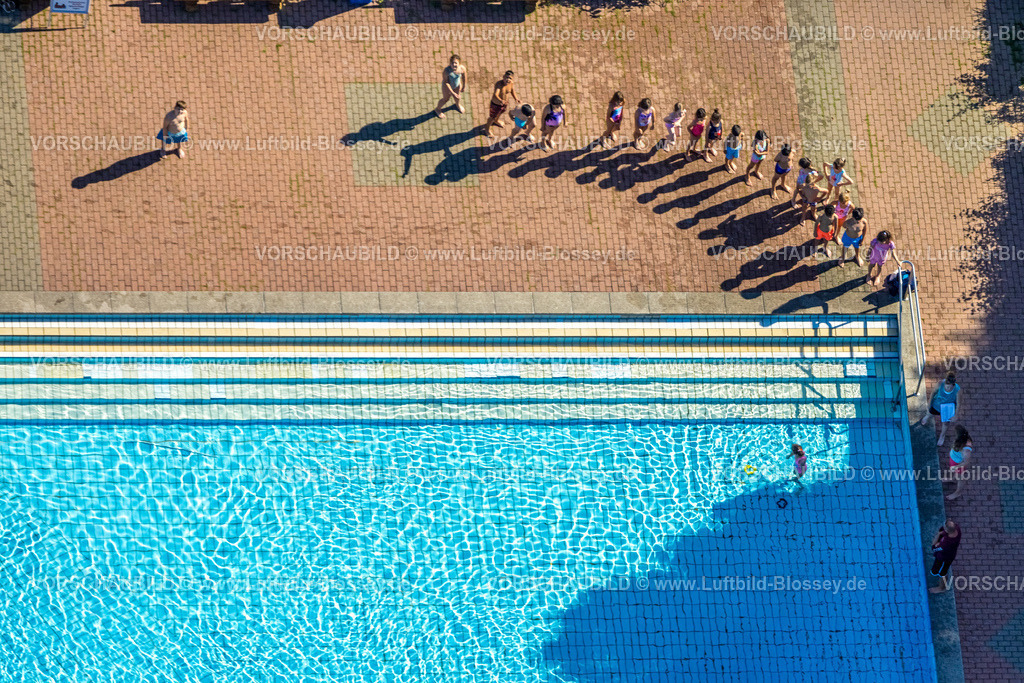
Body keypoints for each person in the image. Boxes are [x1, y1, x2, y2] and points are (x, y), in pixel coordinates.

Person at [920, 372, 962, 445]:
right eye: (946, 386)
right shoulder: (940, 384)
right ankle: (926, 417)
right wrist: (930, 403)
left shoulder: (958, 390)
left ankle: (942, 436)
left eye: (949, 387)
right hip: (937, 405)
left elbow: (958, 403)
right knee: (930, 413)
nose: (947, 388)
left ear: (953, 385)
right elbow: (933, 393)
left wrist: (956, 415)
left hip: (948, 409)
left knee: (945, 423)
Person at [928, 519, 961, 593]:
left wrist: (939, 535)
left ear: (947, 531)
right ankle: (938, 577)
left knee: (942, 572)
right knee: (938, 570)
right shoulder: (957, 529)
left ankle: (942, 588)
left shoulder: (946, 543)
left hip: (944, 558)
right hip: (948, 554)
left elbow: (933, 546)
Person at [433, 54, 467, 119]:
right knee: (445, 99)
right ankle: (437, 109)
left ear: (459, 63)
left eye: (456, 63)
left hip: (456, 85)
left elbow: (464, 77)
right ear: (450, 63)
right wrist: (452, 92)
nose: (454, 65)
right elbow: (446, 82)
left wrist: (464, 86)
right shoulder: (446, 71)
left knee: (457, 97)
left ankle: (457, 105)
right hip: (447, 87)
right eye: (452, 63)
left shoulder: (462, 68)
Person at [946, 425, 974, 500]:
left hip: (958, 464)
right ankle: (953, 479)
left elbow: (966, 462)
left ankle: (958, 492)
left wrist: (956, 467)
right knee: (957, 475)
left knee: (961, 478)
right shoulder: (961, 440)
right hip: (954, 461)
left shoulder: (966, 449)